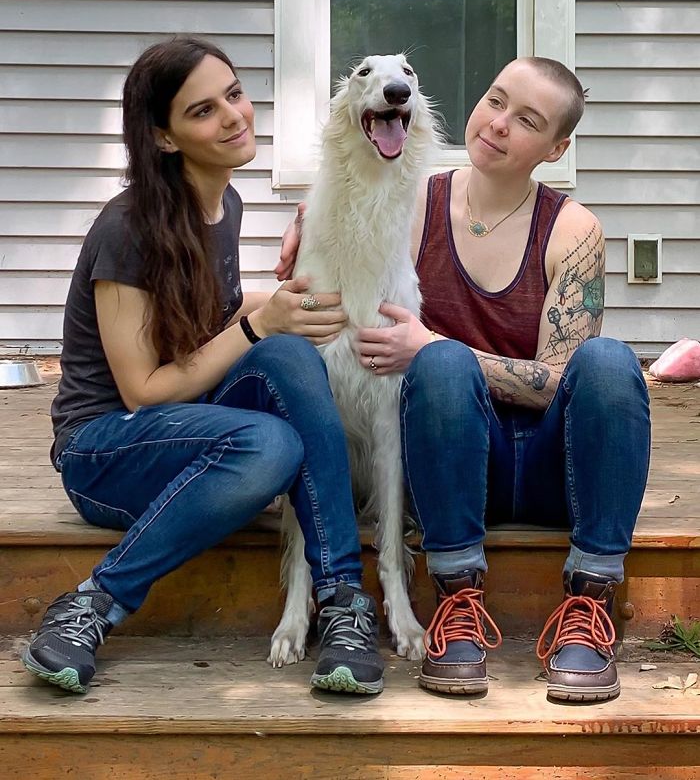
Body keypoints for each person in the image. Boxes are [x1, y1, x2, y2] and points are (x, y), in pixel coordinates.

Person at [277, 57, 650, 702]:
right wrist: (308, 221)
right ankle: (457, 603)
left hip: (546, 469)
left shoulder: (572, 230)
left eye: (527, 120)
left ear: (557, 148)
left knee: (608, 362)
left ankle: (589, 607)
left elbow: (563, 380)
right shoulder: (413, 201)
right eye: (496, 100)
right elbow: (347, 200)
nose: (499, 124)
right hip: (447, 469)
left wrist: (432, 345)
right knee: (442, 368)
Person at [21, 37, 384, 697]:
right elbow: (143, 388)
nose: (234, 116)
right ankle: (91, 606)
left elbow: (216, 314)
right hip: (104, 450)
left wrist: (303, 287)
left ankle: (342, 603)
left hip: (188, 431)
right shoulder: (128, 228)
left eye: (235, 94)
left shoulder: (224, 204)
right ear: (163, 138)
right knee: (269, 439)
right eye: (203, 111)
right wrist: (258, 322)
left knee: (289, 355)